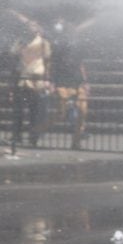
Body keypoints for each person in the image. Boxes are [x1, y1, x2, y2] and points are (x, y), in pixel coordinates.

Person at [10, 19, 51, 147]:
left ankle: (33, 137)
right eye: (28, 26)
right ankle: (16, 136)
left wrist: (47, 79)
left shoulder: (44, 43)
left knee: (35, 111)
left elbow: (47, 61)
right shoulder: (21, 41)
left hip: (37, 80)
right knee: (18, 111)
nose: (30, 28)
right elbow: (13, 53)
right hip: (23, 79)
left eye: (33, 26)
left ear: (38, 28)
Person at [48, 19, 89, 150]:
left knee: (82, 112)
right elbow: (52, 64)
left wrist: (85, 81)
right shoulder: (58, 45)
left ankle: (76, 142)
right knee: (61, 113)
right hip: (62, 82)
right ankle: (36, 130)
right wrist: (51, 81)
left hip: (77, 82)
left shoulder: (78, 46)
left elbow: (80, 64)